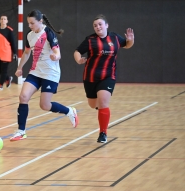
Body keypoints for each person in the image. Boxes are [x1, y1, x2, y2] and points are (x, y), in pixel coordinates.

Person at [10, 9, 78, 142]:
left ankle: (69, 111)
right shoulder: (29, 35)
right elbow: (26, 53)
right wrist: (19, 68)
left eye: (32, 23)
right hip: (35, 72)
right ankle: (21, 131)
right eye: (28, 23)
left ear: (40, 21)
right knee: (23, 97)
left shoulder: (48, 33)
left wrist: (55, 56)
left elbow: (57, 52)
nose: (30, 26)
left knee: (45, 105)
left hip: (50, 74)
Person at [74, 14, 134, 143]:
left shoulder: (115, 38)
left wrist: (130, 40)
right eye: (95, 25)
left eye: (100, 24)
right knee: (93, 104)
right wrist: (79, 59)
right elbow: (77, 51)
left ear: (106, 25)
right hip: (90, 76)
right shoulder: (90, 40)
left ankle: (103, 133)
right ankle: (100, 108)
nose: (98, 27)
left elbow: (128, 45)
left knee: (103, 102)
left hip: (108, 76)